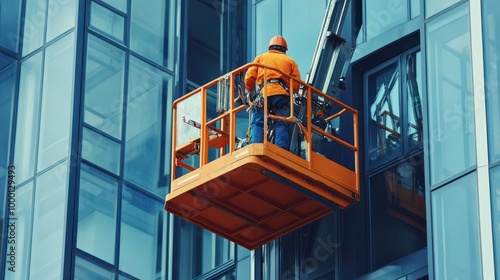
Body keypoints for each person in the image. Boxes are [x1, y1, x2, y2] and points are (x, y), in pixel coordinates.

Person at [244, 35, 301, 150]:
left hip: (264, 94)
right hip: (281, 95)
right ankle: (281, 148)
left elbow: (249, 77)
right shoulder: (290, 61)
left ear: (270, 47)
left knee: (259, 121)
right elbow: (296, 84)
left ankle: (256, 145)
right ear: (284, 49)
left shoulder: (260, 58)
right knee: (282, 122)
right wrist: (290, 91)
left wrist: (250, 89)